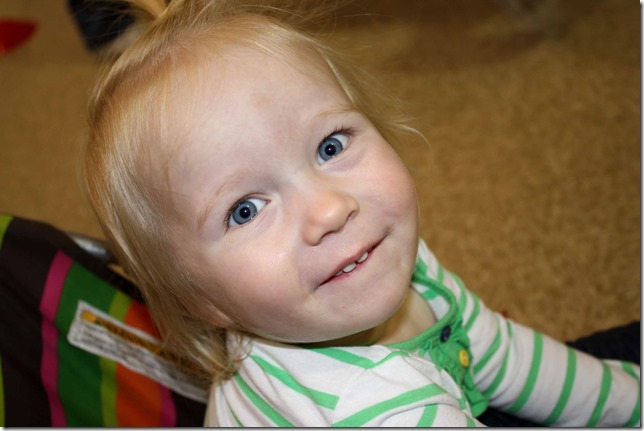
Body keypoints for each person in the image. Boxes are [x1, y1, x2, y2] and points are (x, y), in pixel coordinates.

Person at [82, 0, 640, 426]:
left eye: (330, 147)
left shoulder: (369, 254)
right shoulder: (372, 410)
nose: (330, 210)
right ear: (202, 301)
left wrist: (630, 400)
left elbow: (496, 350)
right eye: (246, 210)